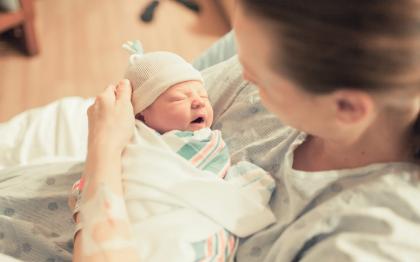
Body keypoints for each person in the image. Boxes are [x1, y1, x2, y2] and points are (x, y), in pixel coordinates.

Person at [73, 0, 420, 261]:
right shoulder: (280, 74)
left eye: (257, 75)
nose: (242, 74)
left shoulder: (365, 240)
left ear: (346, 107)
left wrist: (102, 149)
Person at [70, 42, 275, 261]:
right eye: (179, 98)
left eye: (204, 96)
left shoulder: (206, 140)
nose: (198, 102)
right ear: (141, 116)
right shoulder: (137, 142)